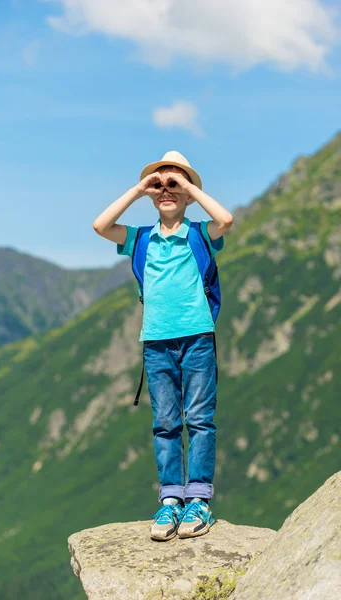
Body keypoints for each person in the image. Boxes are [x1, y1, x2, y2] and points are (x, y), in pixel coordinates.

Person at [93, 151, 233, 541]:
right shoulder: (140, 239)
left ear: (187, 194)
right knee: (166, 423)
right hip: (155, 342)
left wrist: (188, 186)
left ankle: (199, 499)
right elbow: (100, 225)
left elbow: (226, 220)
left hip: (197, 337)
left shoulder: (201, 234)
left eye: (175, 185)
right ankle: (171, 499)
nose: (166, 190)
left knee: (200, 419)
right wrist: (140, 190)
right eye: (161, 185)